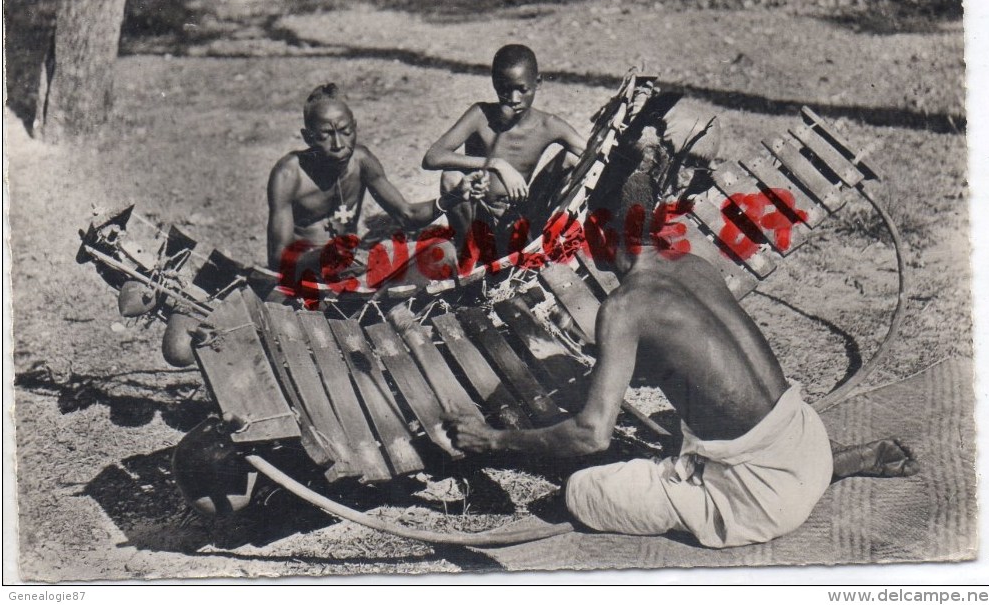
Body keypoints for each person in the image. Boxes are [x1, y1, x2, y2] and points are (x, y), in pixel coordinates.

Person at [445, 140, 918, 548]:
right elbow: (693, 359)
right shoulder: (695, 267)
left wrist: (492, 439)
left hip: (763, 500)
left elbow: (592, 435)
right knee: (694, 426)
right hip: (807, 441)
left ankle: (715, 482)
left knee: (583, 491)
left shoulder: (626, 306)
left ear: (602, 234)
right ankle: (831, 462)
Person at [267, 83, 484, 289]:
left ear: (355, 127)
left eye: (345, 131)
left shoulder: (361, 161)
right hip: (310, 278)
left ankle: (375, 298)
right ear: (308, 138)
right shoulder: (288, 174)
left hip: (355, 271)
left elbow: (407, 214)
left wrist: (454, 197)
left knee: (441, 251)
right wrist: (322, 256)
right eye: (326, 135)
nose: (339, 145)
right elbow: (278, 258)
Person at [423, 44, 587, 252]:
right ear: (494, 84)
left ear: (538, 82)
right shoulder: (480, 115)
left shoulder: (549, 125)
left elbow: (592, 153)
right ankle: (469, 255)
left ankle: (545, 240)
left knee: (572, 159)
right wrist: (496, 164)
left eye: (522, 89)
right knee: (451, 176)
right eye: (505, 90)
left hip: (523, 213)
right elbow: (432, 157)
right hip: (480, 215)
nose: (514, 99)